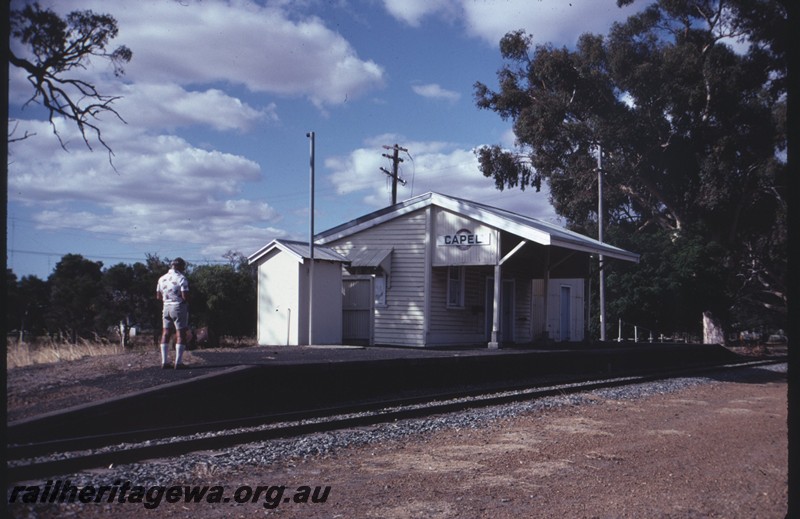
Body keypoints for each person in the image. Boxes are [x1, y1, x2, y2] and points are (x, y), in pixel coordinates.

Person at [156, 258, 190, 369]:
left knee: (165, 333)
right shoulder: (182, 278)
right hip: (178, 306)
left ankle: (164, 361)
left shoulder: (161, 279)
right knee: (180, 334)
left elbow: (158, 296)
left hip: (166, 306)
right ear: (180, 266)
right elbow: (185, 296)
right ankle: (178, 362)